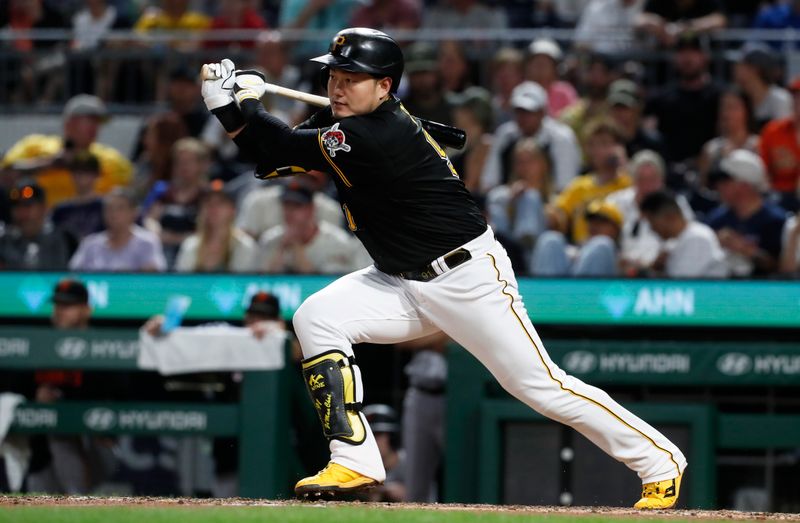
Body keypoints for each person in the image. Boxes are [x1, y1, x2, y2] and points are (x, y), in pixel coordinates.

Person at [200, 27, 686, 508]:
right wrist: (233, 110)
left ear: (385, 86)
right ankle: (355, 457)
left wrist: (240, 106)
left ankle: (660, 461)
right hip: (398, 278)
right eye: (335, 77)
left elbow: (284, 146)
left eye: (353, 78)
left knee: (540, 387)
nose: (338, 87)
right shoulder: (356, 126)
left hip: (465, 278)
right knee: (315, 317)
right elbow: (276, 159)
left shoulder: (372, 134)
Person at [23, 278, 119, 493]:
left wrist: (61, 399)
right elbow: (19, 387)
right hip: (43, 451)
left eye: (68, 306)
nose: (60, 311)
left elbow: (116, 393)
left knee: (62, 431)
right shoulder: (40, 345)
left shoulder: (103, 347)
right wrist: (36, 397)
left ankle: (79, 498)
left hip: (95, 445)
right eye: (57, 305)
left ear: (86, 310)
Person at [1, 94, 133, 208]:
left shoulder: (112, 159)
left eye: (97, 122)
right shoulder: (37, 146)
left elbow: (131, 193)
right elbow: (5, 173)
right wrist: (50, 164)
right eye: (90, 120)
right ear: (69, 123)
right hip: (41, 225)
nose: (95, 127)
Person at [481, 81, 580, 194]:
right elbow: (489, 183)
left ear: (542, 112)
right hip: (510, 202)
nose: (523, 117)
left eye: (529, 112)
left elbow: (565, 187)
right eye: (519, 111)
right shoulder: (504, 135)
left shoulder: (562, 137)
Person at [606, 150, 693, 276]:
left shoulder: (676, 204)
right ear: (632, 180)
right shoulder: (614, 202)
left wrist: (663, 255)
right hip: (621, 271)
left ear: (662, 180)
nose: (647, 186)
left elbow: (685, 237)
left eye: (652, 180)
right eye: (641, 180)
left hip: (661, 272)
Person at [644, 33, 721, 174]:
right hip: (670, 172)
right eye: (682, 52)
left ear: (705, 56)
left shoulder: (720, 96)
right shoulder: (660, 99)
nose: (687, 58)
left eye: (693, 52)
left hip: (711, 171)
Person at [257, 180, 371, 274]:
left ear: (311, 209)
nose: (290, 212)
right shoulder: (270, 239)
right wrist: (281, 249)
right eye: (286, 205)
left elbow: (327, 286)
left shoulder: (337, 242)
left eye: (297, 206)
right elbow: (262, 282)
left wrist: (297, 247)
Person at [548, 119, 632, 245]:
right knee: (550, 240)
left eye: (604, 144)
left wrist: (623, 163)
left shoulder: (628, 183)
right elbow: (557, 214)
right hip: (580, 249)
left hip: (614, 249)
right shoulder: (579, 185)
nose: (597, 150)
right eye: (593, 145)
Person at [706, 149, 787, 277]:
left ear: (744, 185)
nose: (718, 186)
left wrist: (745, 250)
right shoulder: (717, 219)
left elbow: (782, 268)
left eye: (725, 182)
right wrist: (713, 241)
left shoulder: (776, 221)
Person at [69, 187, 167, 272]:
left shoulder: (147, 242)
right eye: (109, 208)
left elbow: (156, 274)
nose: (113, 214)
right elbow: (73, 274)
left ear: (134, 212)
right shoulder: (90, 243)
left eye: (120, 208)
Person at [639, 190, 729, 278]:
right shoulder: (675, 242)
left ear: (669, 217)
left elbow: (680, 284)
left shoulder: (697, 237)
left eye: (652, 222)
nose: (652, 228)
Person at [174, 180, 257, 273]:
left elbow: (245, 283)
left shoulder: (245, 246)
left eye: (220, 203)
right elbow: (182, 282)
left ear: (232, 210)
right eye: (208, 203)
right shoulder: (191, 245)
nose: (213, 208)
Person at [531, 199, 623, 277]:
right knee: (550, 239)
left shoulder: (622, 251)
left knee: (602, 245)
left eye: (602, 221)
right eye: (592, 221)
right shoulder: (572, 248)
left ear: (616, 228)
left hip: (601, 292)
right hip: (561, 290)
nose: (595, 226)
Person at [0, 182, 71, 270]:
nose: (22, 213)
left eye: (27, 206)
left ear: (43, 208)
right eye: (16, 207)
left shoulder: (66, 238)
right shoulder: (4, 241)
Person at [697, 87, 759, 187]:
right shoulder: (711, 149)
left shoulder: (759, 145)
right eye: (723, 107)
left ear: (747, 110)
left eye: (733, 107)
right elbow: (703, 186)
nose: (726, 113)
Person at [759, 77, 800, 213]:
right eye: (795, 96)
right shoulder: (773, 131)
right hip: (779, 196)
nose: (798, 101)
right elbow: (762, 172)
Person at [732, 46, 792, 130]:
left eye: (741, 65)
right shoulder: (739, 98)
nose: (736, 70)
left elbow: (784, 133)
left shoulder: (780, 99)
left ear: (755, 69)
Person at [50, 151, 105, 241]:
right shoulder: (61, 210)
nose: (81, 176)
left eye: (87, 172)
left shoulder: (106, 207)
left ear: (97, 175)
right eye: (77, 171)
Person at [360, 404, 406, 502]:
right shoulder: (361, 468)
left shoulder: (411, 465)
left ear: (392, 438)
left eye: (377, 435)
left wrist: (408, 495)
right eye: (367, 438)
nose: (371, 442)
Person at [400, 43, 454, 127]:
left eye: (426, 72)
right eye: (416, 74)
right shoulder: (401, 112)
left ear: (437, 72)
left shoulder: (454, 109)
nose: (421, 79)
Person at [635, 0, 726, 48]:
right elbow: (640, 19)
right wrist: (660, 26)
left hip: (698, 60)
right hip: (664, 62)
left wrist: (687, 28)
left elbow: (720, 20)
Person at [524, 38, 578, 118]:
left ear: (555, 68)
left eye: (545, 63)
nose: (540, 67)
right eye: (537, 63)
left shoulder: (565, 91)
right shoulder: (522, 90)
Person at [574, 0, 644, 55]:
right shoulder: (597, 8)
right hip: (597, 61)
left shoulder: (635, 12)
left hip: (624, 61)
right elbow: (580, 43)